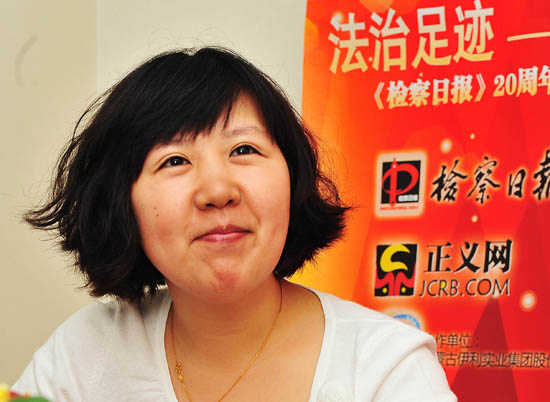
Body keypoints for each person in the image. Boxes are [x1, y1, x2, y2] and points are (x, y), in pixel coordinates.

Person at [13, 47, 456, 402]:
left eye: (244, 150)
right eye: (174, 160)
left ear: (293, 178)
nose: (218, 189)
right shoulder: (84, 352)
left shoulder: (387, 368)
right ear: (120, 203)